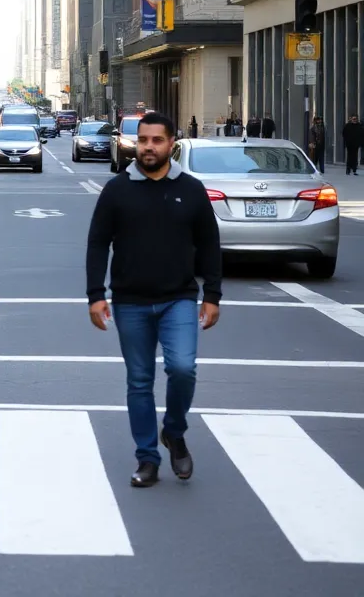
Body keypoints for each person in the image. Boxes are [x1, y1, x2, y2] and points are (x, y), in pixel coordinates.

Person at [84, 111, 222, 488]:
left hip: (178, 298)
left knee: (182, 369)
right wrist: (96, 294)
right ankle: (147, 457)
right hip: (129, 302)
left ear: (171, 144)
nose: (148, 147)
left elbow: (209, 244)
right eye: (143, 140)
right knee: (139, 381)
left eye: (156, 141)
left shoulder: (192, 189)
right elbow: (98, 243)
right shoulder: (117, 189)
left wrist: (212, 295)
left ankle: (174, 431)